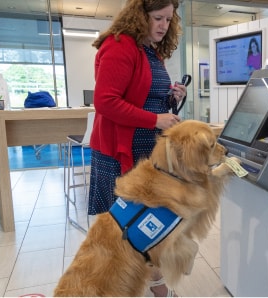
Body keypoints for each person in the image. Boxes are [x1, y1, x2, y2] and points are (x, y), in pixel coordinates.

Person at [87, 0, 186, 296]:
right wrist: (156, 118)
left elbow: (145, 98)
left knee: (143, 224)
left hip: (144, 152)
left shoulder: (150, 51)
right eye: (158, 18)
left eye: (168, 20)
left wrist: (173, 98)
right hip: (120, 153)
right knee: (125, 227)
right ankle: (143, 288)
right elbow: (106, 102)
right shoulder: (120, 46)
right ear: (139, 15)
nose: (163, 26)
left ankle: (154, 286)